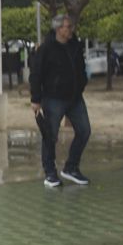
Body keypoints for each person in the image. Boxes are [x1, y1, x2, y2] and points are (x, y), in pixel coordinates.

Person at [29, 14, 90, 187]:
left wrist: (81, 84)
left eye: (71, 26)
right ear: (58, 29)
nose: (71, 29)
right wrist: (36, 99)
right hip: (53, 99)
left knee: (84, 131)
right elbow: (36, 74)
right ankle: (50, 173)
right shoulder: (46, 48)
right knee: (50, 136)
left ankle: (71, 168)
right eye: (67, 26)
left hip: (75, 98)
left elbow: (81, 68)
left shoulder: (75, 46)